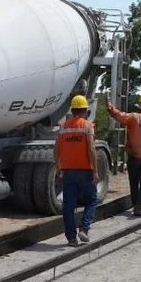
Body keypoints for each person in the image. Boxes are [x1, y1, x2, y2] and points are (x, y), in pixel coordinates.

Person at [107, 93, 141, 216]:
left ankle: (135, 204)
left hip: (135, 157)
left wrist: (111, 108)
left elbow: (120, 116)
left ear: (140, 106)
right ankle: (139, 206)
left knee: (134, 182)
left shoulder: (134, 117)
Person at [54, 95, 99, 246]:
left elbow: (56, 150)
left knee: (68, 206)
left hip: (68, 172)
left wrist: (58, 167)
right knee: (92, 200)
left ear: (72, 110)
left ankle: (71, 238)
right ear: (85, 110)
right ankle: (84, 229)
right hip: (85, 171)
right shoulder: (87, 126)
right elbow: (92, 149)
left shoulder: (63, 127)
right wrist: (95, 171)